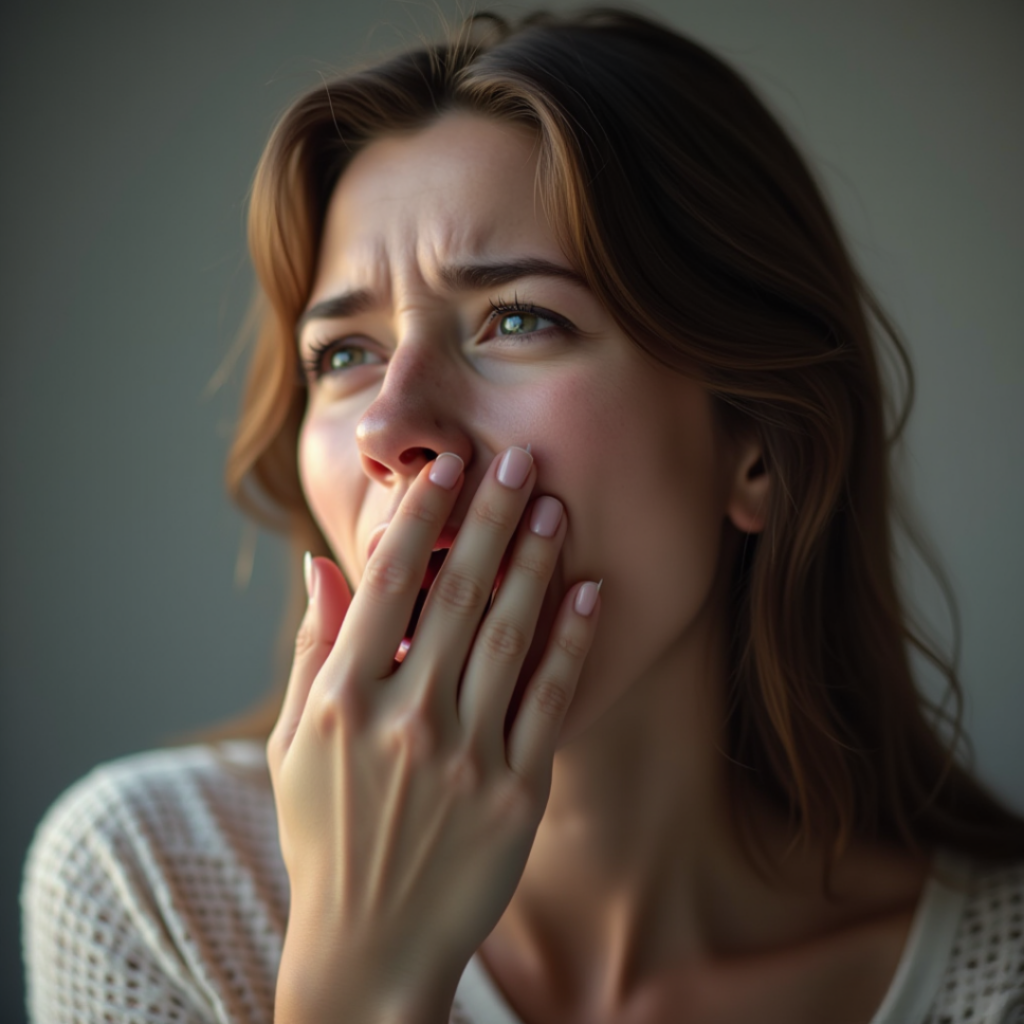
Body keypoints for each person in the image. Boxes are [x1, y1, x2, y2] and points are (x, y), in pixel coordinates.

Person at [21, 9, 1024, 1024]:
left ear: (757, 445)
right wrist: (362, 979)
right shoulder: (153, 885)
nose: (390, 428)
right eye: (345, 354)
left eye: (519, 319)